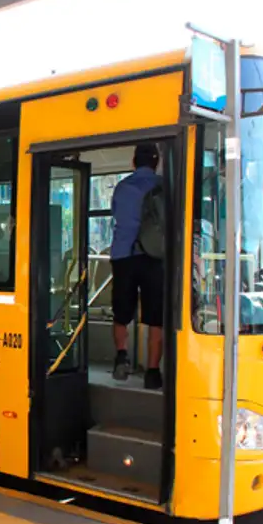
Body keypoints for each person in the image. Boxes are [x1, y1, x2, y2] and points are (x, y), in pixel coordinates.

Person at [110, 143, 165, 390]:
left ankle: (121, 355)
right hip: (155, 256)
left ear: (133, 162)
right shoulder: (164, 187)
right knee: (156, 318)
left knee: (121, 313)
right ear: (157, 163)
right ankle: (153, 372)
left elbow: (116, 215)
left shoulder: (122, 188)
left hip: (124, 255)